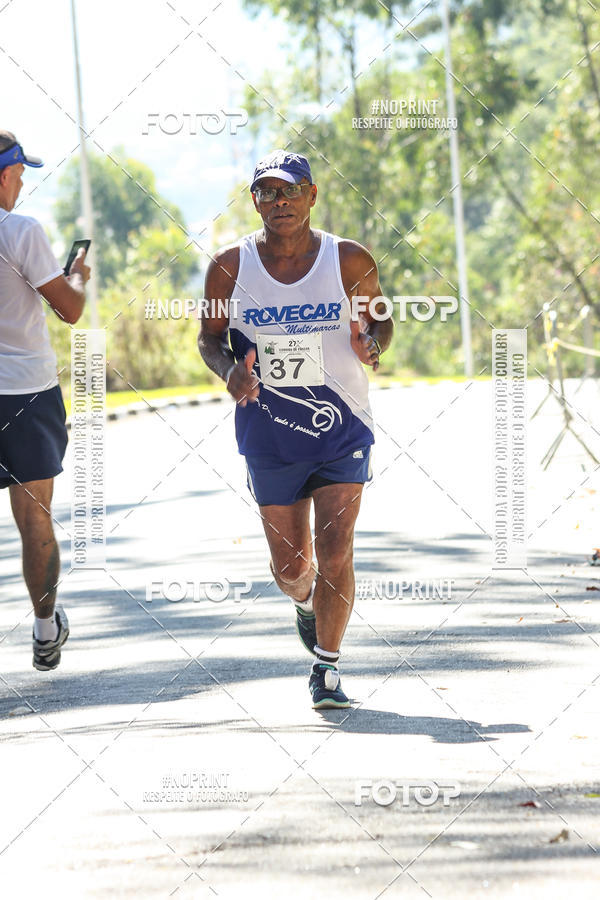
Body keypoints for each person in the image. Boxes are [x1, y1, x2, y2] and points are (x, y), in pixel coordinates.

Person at [199, 149, 393, 709]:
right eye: (268, 192)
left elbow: (380, 320)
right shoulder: (230, 267)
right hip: (269, 432)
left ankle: (327, 667)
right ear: (254, 200)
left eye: (290, 190)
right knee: (292, 570)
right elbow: (209, 338)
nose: (279, 201)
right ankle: (305, 602)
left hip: (342, 425)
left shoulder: (348, 259)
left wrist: (372, 343)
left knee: (336, 549)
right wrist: (229, 372)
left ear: (312, 195)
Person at [0, 130, 90, 670]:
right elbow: (70, 310)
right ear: (3, 175)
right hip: (25, 394)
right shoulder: (21, 230)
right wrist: (76, 276)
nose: (21, 184)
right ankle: (43, 628)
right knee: (35, 517)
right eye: (18, 174)